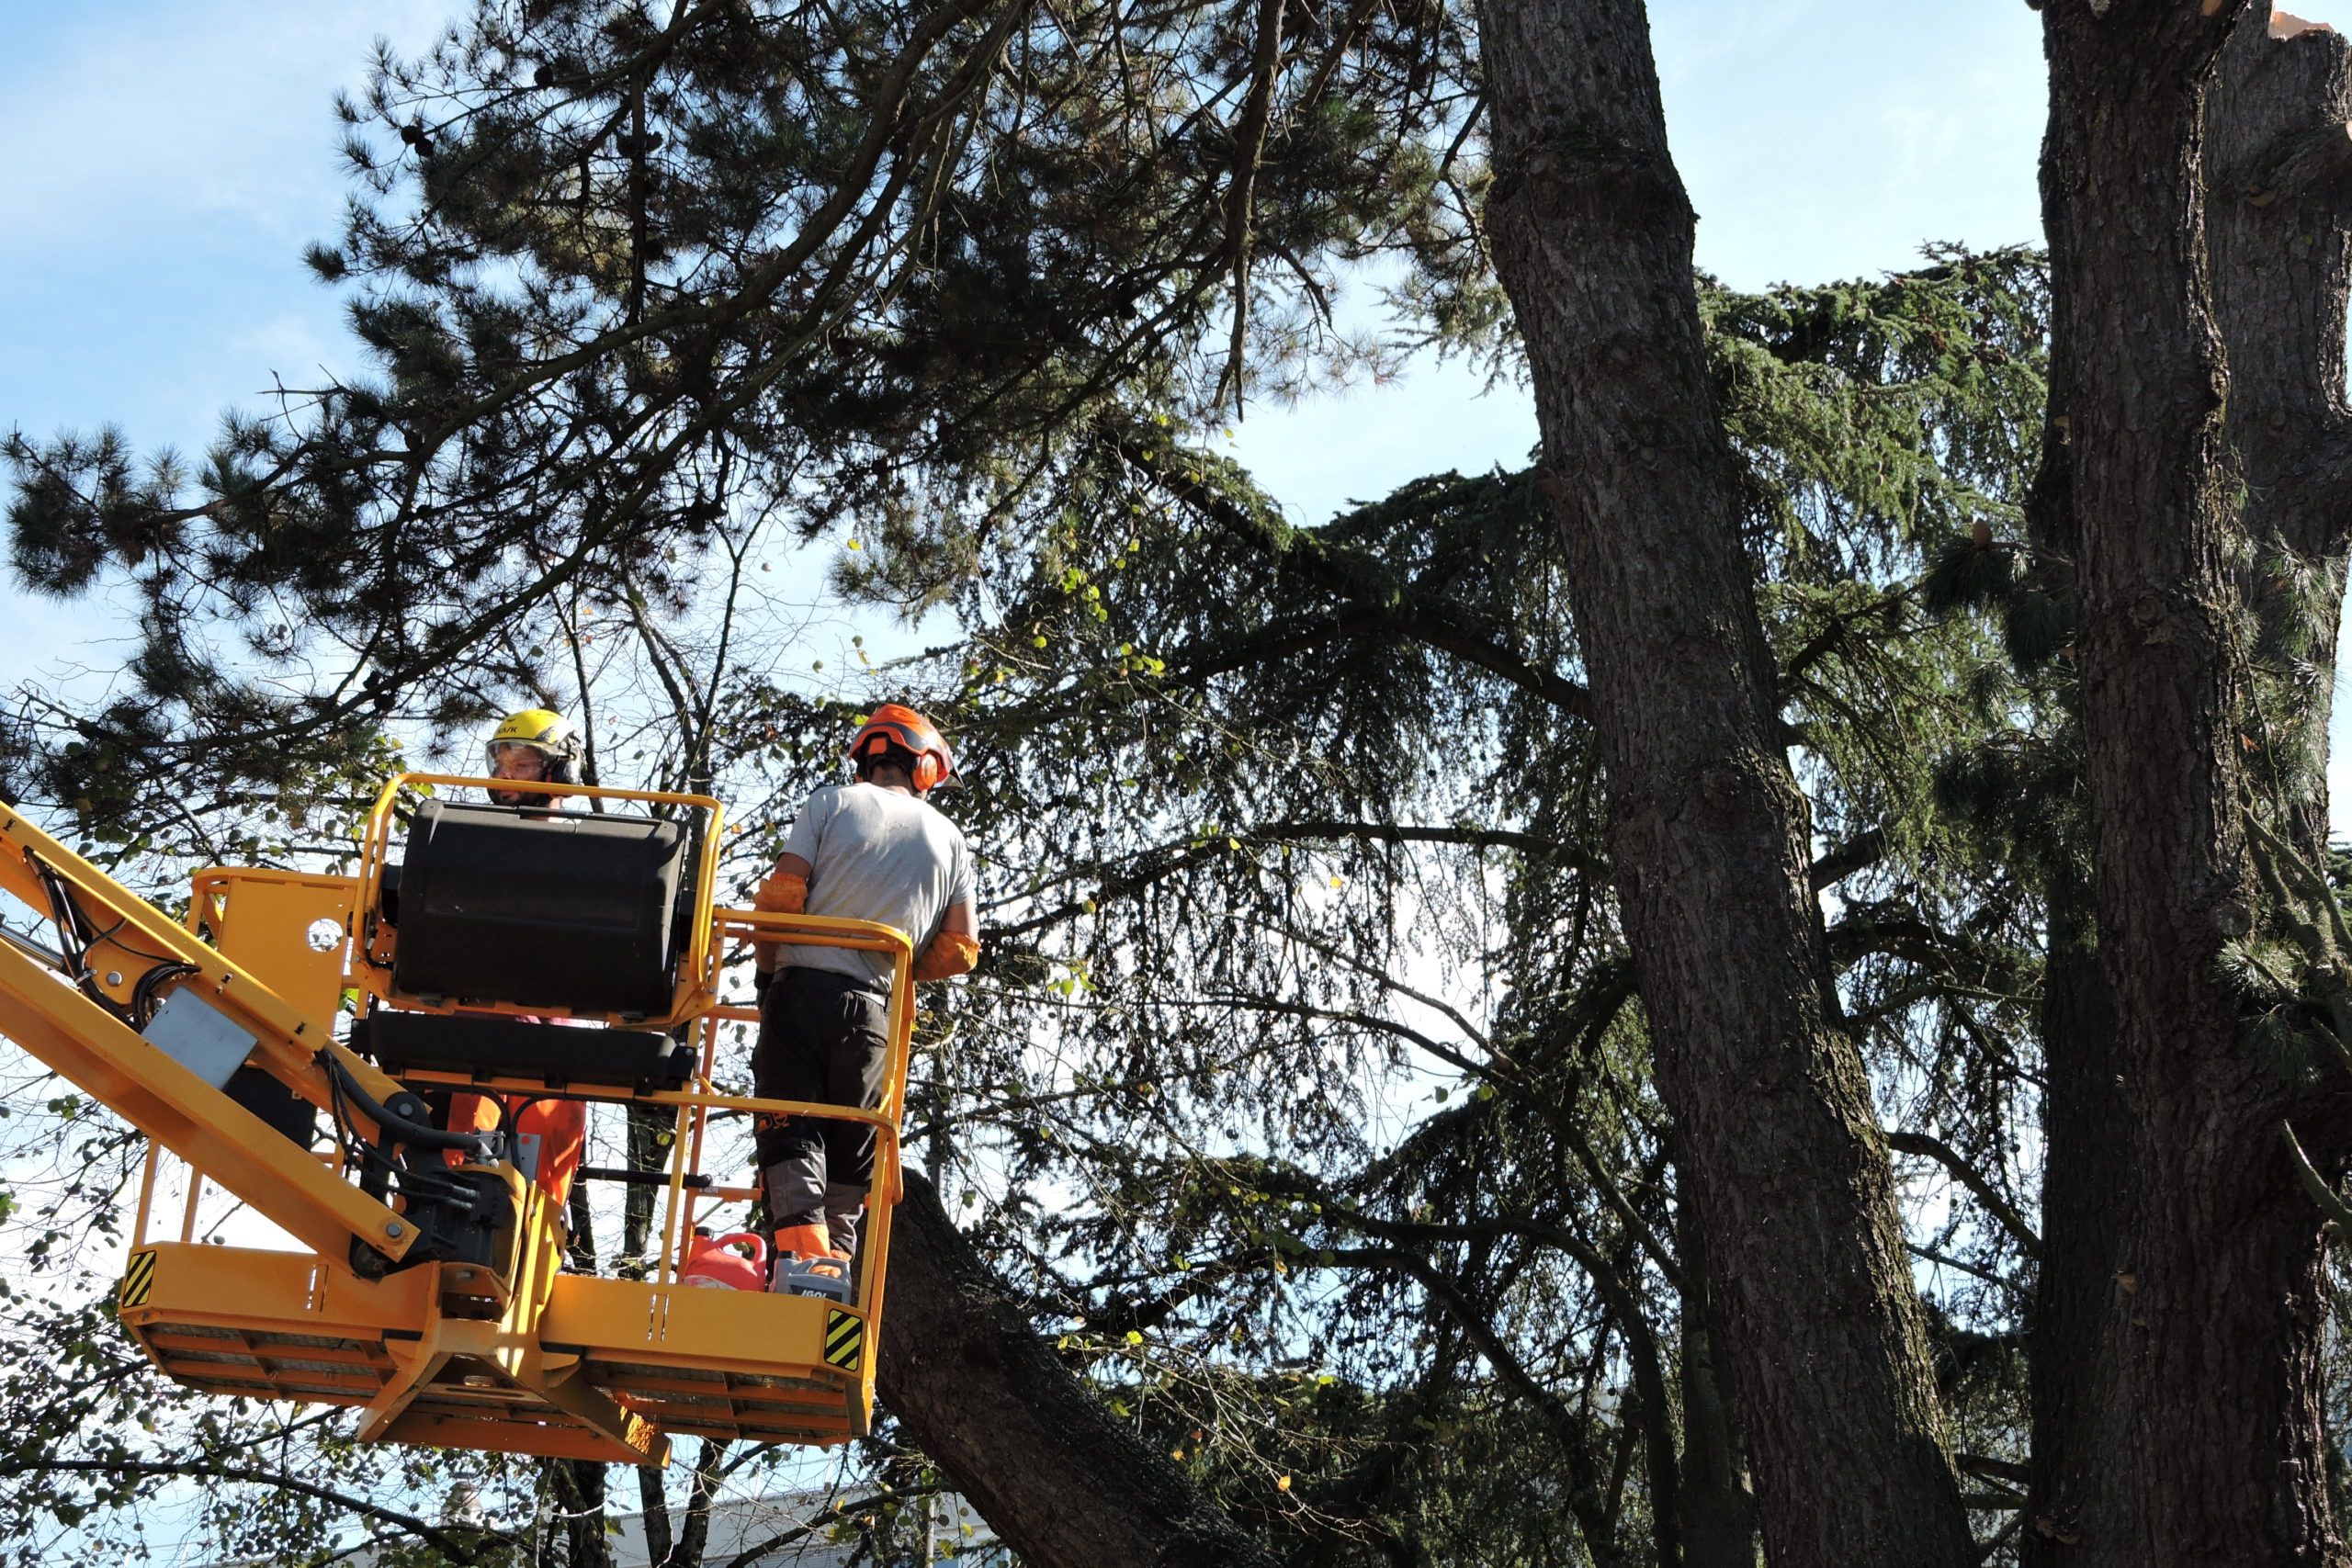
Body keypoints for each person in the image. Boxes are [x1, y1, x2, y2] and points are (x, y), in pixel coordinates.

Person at [752, 703, 979, 1287]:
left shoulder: (828, 803)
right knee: (853, 1149)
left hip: (799, 991)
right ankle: (835, 1291)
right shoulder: (951, 840)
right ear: (926, 769)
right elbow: (959, 951)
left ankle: (801, 1266)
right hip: (874, 1011)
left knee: (790, 1127)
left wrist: (765, 976)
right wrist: (896, 959)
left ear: (867, 758)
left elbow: (782, 895)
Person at [433, 709, 592, 1214]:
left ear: (558, 772)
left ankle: (543, 1232)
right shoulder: (464, 842)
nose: (504, 777)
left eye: (520, 765)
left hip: (550, 1031)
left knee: (557, 1131)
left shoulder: (593, 856)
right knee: (454, 1135)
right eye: (499, 765)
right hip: (473, 1017)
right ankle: (437, 1210)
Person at [483, 708, 585, 807]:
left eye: (521, 765)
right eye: (499, 765)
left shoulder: (596, 825)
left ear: (561, 771)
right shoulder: (470, 823)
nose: (502, 775)